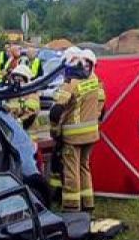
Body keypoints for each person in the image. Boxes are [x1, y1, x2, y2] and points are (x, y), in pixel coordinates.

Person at [51, 47, 106, 212]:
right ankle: (88, 203)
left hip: (73, 136)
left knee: (71, 170)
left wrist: (54, 131)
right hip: (91, 134)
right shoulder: (95, 81)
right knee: (84, 167)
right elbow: (101, 108)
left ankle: (71, 206)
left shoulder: (72, 83)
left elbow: (55, 111)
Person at [6, 63, 40, 134]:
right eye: (15, 80)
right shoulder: (14, 95)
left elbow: (31, 114)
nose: (17, 82)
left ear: (27, 81)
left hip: (29, 135)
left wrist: (18, 121)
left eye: (20, 80)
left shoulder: (32, 95)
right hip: (15, 133)